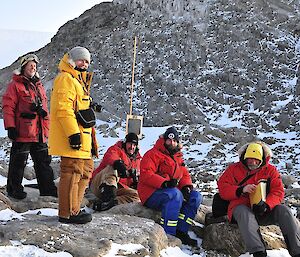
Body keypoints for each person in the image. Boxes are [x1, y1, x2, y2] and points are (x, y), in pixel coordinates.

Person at [217, 142, 300, 257]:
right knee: (244, 212)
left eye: (256, 160)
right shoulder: (233, 169)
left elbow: (278, 192)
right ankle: (259, 252)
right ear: (244, 158)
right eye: (250, 159)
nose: (253, 163)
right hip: (240, 209)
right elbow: (223, 189)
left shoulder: (270, 170)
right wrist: (241, 190)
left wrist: (266, 205)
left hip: (263, 210)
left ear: (262, 159)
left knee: (284, 210)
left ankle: (297, 251)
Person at [49, 46, 97, 224]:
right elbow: (64, 109)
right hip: (75, 137)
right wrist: (73, 134)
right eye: (81, 60)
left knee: (84, 172)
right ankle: (67, 213)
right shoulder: (65, 79)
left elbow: (77, 104)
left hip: (84, 138)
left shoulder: (77, 81)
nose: (84, 64)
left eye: (87, 61)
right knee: (71, 172)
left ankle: (74, 208)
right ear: (71, 60)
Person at [2, 53, 57, 200]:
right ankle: (14, 189)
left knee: (44, 162)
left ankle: (48, 189)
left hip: (39, 131)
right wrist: (10, 127)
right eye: (30, 65)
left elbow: (44, 107)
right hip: (23, 130)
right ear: (23, 67)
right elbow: (8, 107)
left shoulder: (39, 85)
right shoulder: (15, 85)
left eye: (35, 65)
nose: (33, 67)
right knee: (18, 162)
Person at [137, 126, 202, 246]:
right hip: (151, 193)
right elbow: (146, 174)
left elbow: (184, 174)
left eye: (174, 140)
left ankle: (181, 231)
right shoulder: (152, 154)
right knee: (175, 195)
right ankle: (169, 235)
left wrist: (186, 186)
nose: (171, 143)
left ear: (177, 142)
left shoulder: (177, 156)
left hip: (168, 191)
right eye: (168, 140)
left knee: (196, 197)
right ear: (164, 140)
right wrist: (164, 183)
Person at [90, 132, 141, 211]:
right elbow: (110, 157)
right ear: (124, 143)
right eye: (130, 144)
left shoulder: (137, 160)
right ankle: (107, 198)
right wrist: (119, 164)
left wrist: (134, 181)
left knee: (136, 196)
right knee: (113, 167)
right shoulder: (115, 149)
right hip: (98, 184)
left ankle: (111, 203)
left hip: (117, 188)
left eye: (134, 145)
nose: (132, 147)